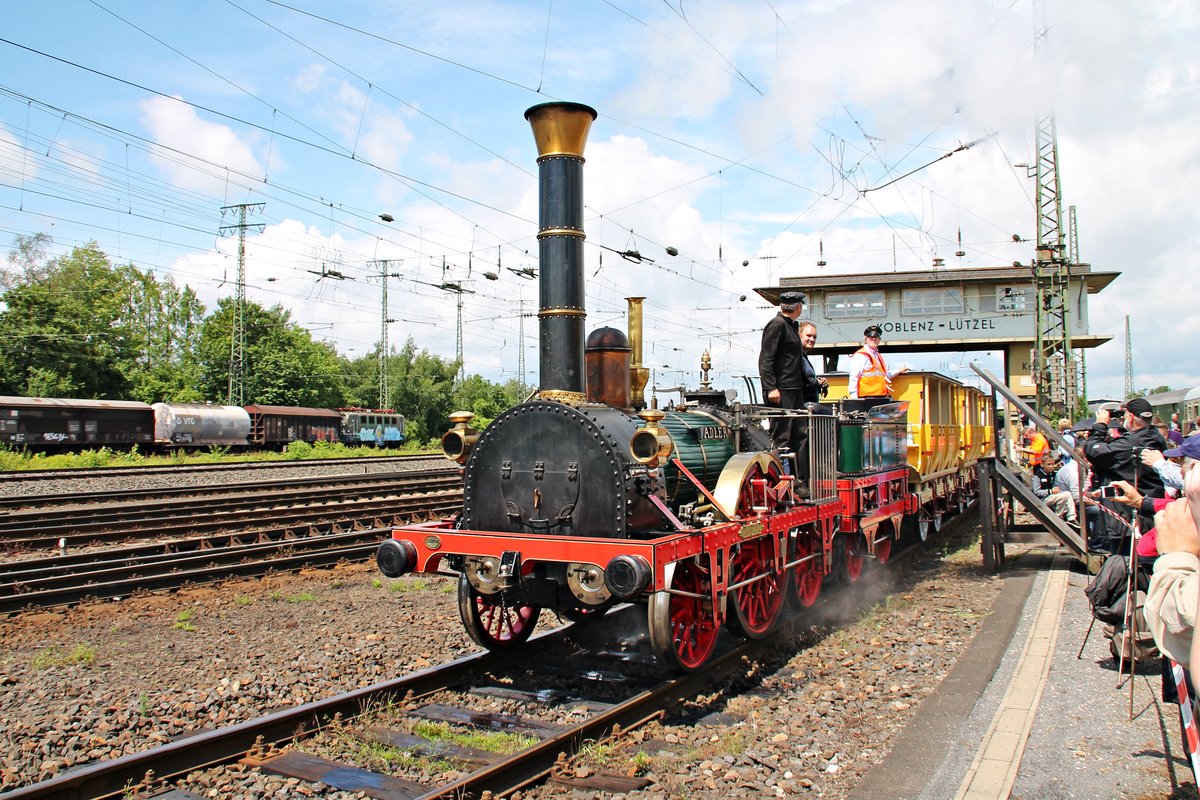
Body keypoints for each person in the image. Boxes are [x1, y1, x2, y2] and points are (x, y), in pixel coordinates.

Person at [1084, 397, 1168, 553]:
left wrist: (1100, 426)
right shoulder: (1157, 437)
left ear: (1130, 417)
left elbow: (1093, 451)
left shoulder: (1129, 444)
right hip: (1152, 508)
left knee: (1126, 561)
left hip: (1128, 517)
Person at [758, 290, 808, 455]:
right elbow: (766, 358)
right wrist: (771, 387)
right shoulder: (777, 325)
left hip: (794, 388)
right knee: (782, 436)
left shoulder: (790, 326)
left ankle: (799, 478)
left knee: (799, 434)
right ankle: (782, 474)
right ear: (798, 307)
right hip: (782, 389)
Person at [847, 325, 908, 400]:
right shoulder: (861, 355)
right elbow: (854, 377)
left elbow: (884, 375)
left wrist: (898, 371)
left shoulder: (877, 356)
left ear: (879, 339)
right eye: (870, 337)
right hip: (866, 397)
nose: (873, 339)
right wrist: (854, 398)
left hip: (880, 396)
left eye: (876, 337)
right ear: (865, 339)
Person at [1029, 451, 1077, 524]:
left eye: (1053, 464)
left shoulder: (1053, 474)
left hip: (1052, 497)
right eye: (1048, 464)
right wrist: (1050, 491)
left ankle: (1071, 517)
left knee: (1067, 494)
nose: (1051, 466)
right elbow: (1037, 491)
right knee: (1063, 496)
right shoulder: (1038, 476)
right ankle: (1058, 517)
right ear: (1042, 464)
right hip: (1042, 500)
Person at [797, 322, 829, 404]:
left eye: (814, 337)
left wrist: (819, 382)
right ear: (799, 335)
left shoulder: (804, 356)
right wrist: (818, 382)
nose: (812, 339)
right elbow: (801, 379)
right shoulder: (797, 356)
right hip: (803, 404)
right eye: (808, 335)